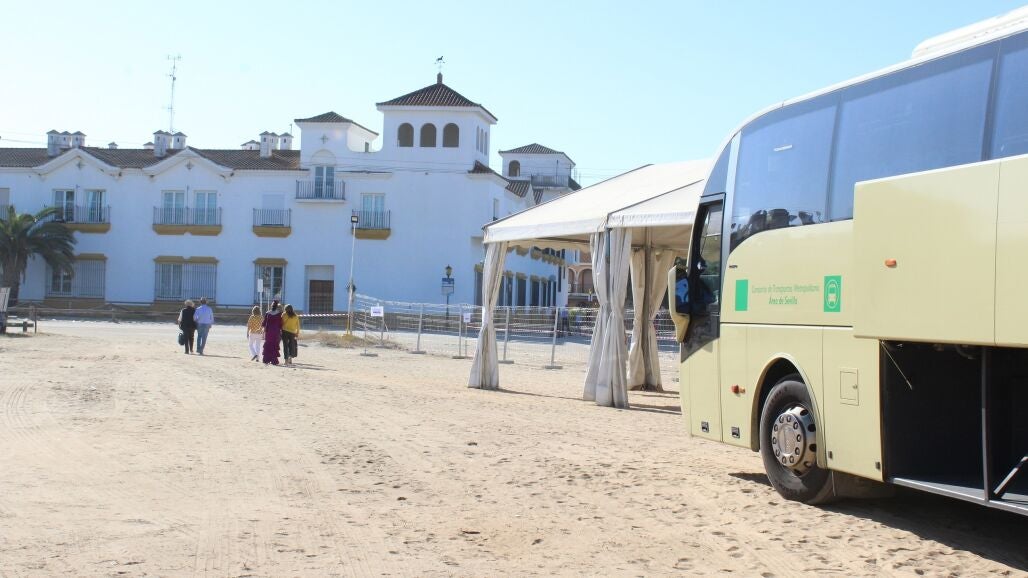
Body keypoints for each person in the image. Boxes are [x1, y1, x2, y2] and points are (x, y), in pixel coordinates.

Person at [262, 300, 283, 365]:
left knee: (268, 344)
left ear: (272, 306)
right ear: (277, 306)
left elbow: (264, 323)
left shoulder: (267, 313)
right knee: (274, 345)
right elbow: (280, 324)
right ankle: (274, 360)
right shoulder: (279, 314)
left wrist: (263, 330)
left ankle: (266, 359)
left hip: (268, 331)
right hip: (276, 331)